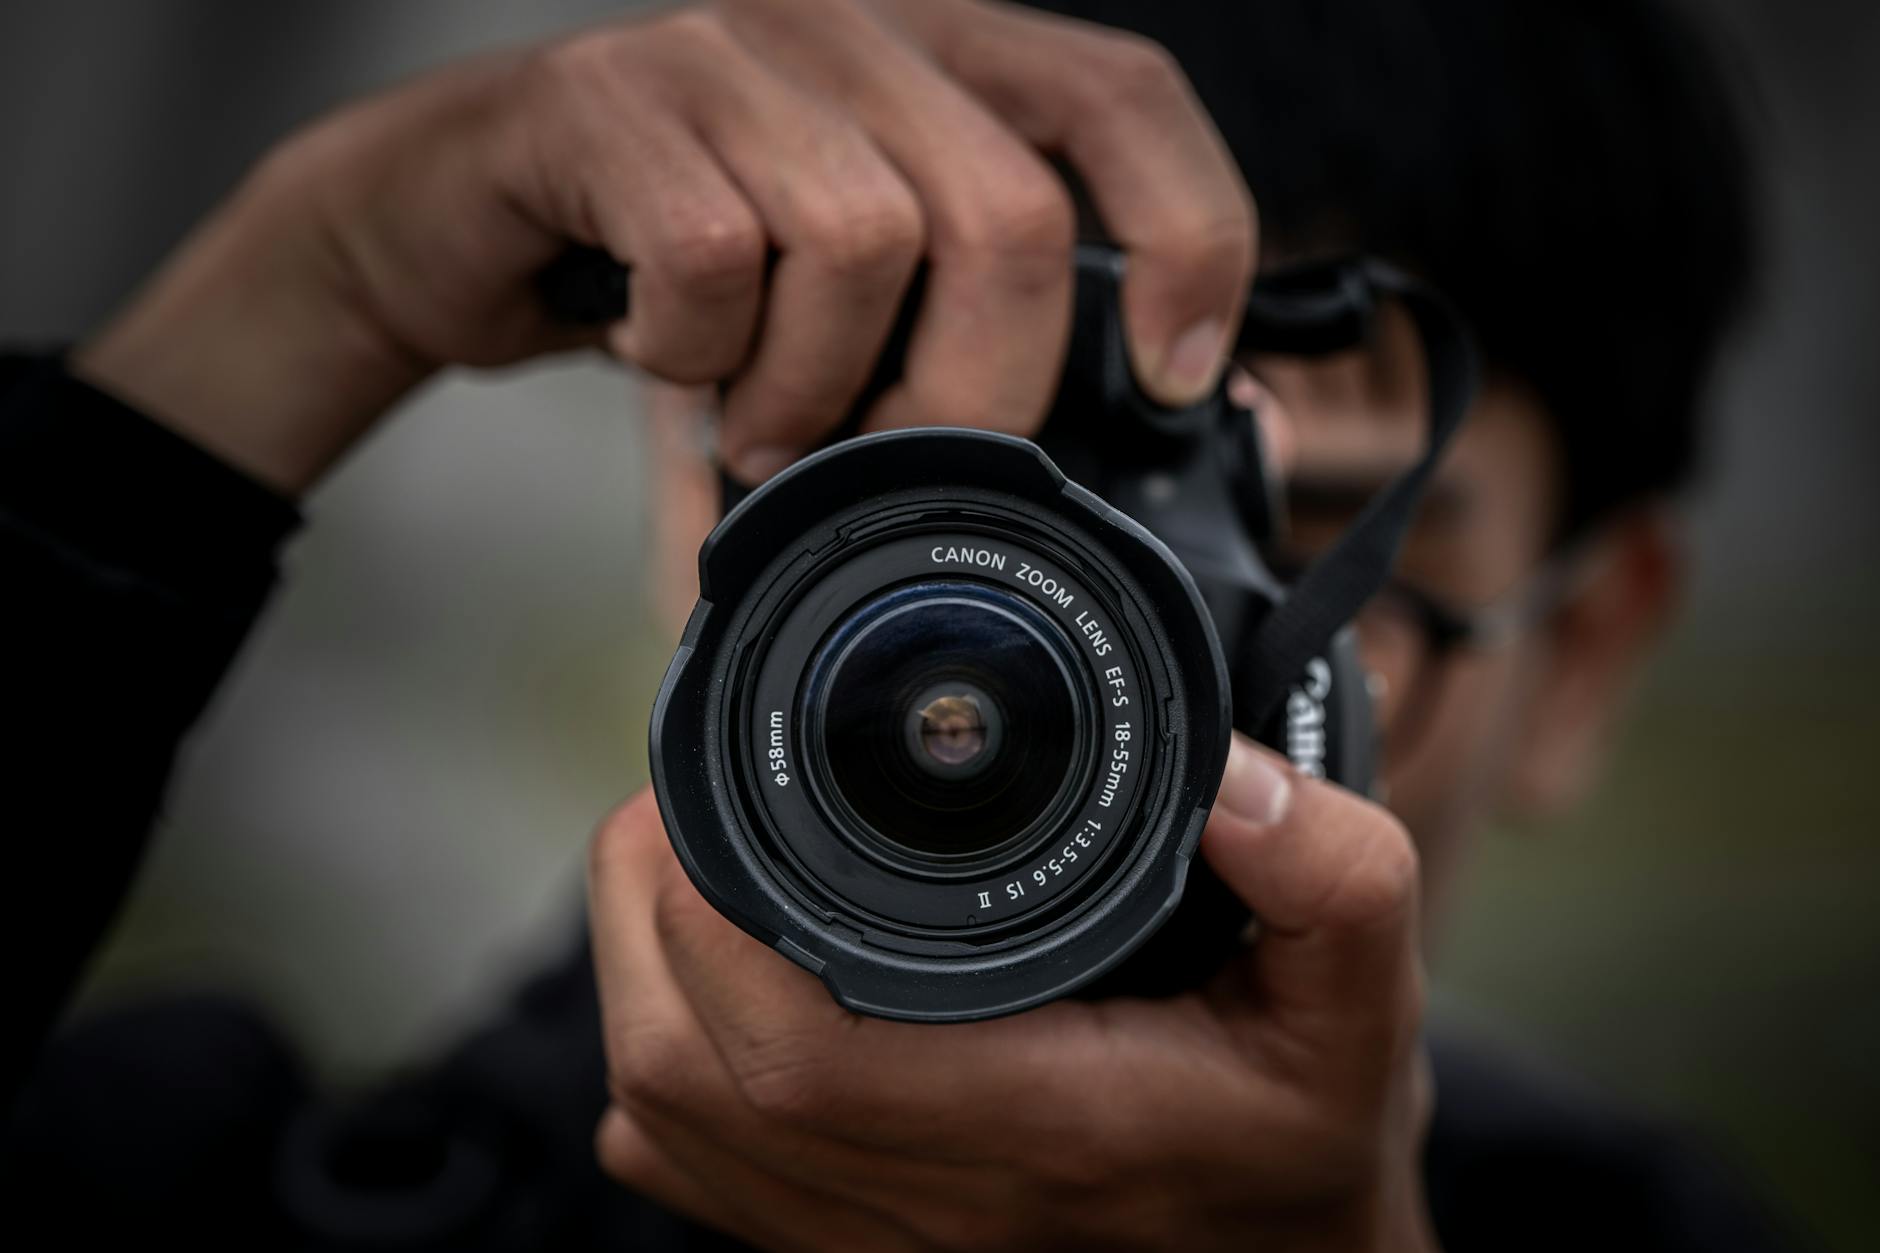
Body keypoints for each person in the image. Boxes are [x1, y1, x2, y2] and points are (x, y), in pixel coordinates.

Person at [0, 0, 1783, 1248]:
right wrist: (292, 298)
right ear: (715, 505)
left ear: (1584, 659)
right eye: (988, 507)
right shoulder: (212, 1192)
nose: (1123, 677)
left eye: (1302, 558)